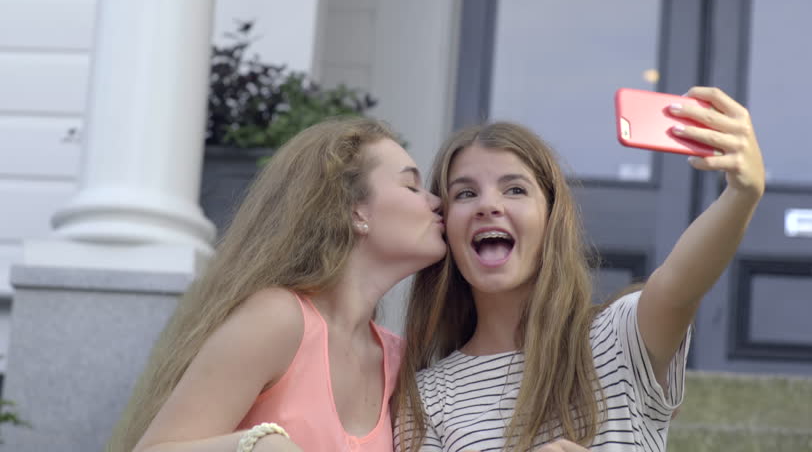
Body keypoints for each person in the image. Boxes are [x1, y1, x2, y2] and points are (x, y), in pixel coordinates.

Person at [394, 87, 764, 451]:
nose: (488, 205)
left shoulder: (619, 341)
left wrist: (741, 194)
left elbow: (679, 285)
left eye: (515, 190)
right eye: (465, 193)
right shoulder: (426, 397)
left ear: (552, 218)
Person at [108, 117, 447, 452]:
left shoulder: (400, 361)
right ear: (355, 210)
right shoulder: (278, 319)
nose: (435, 202)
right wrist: (258, 445)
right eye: (411, 187)